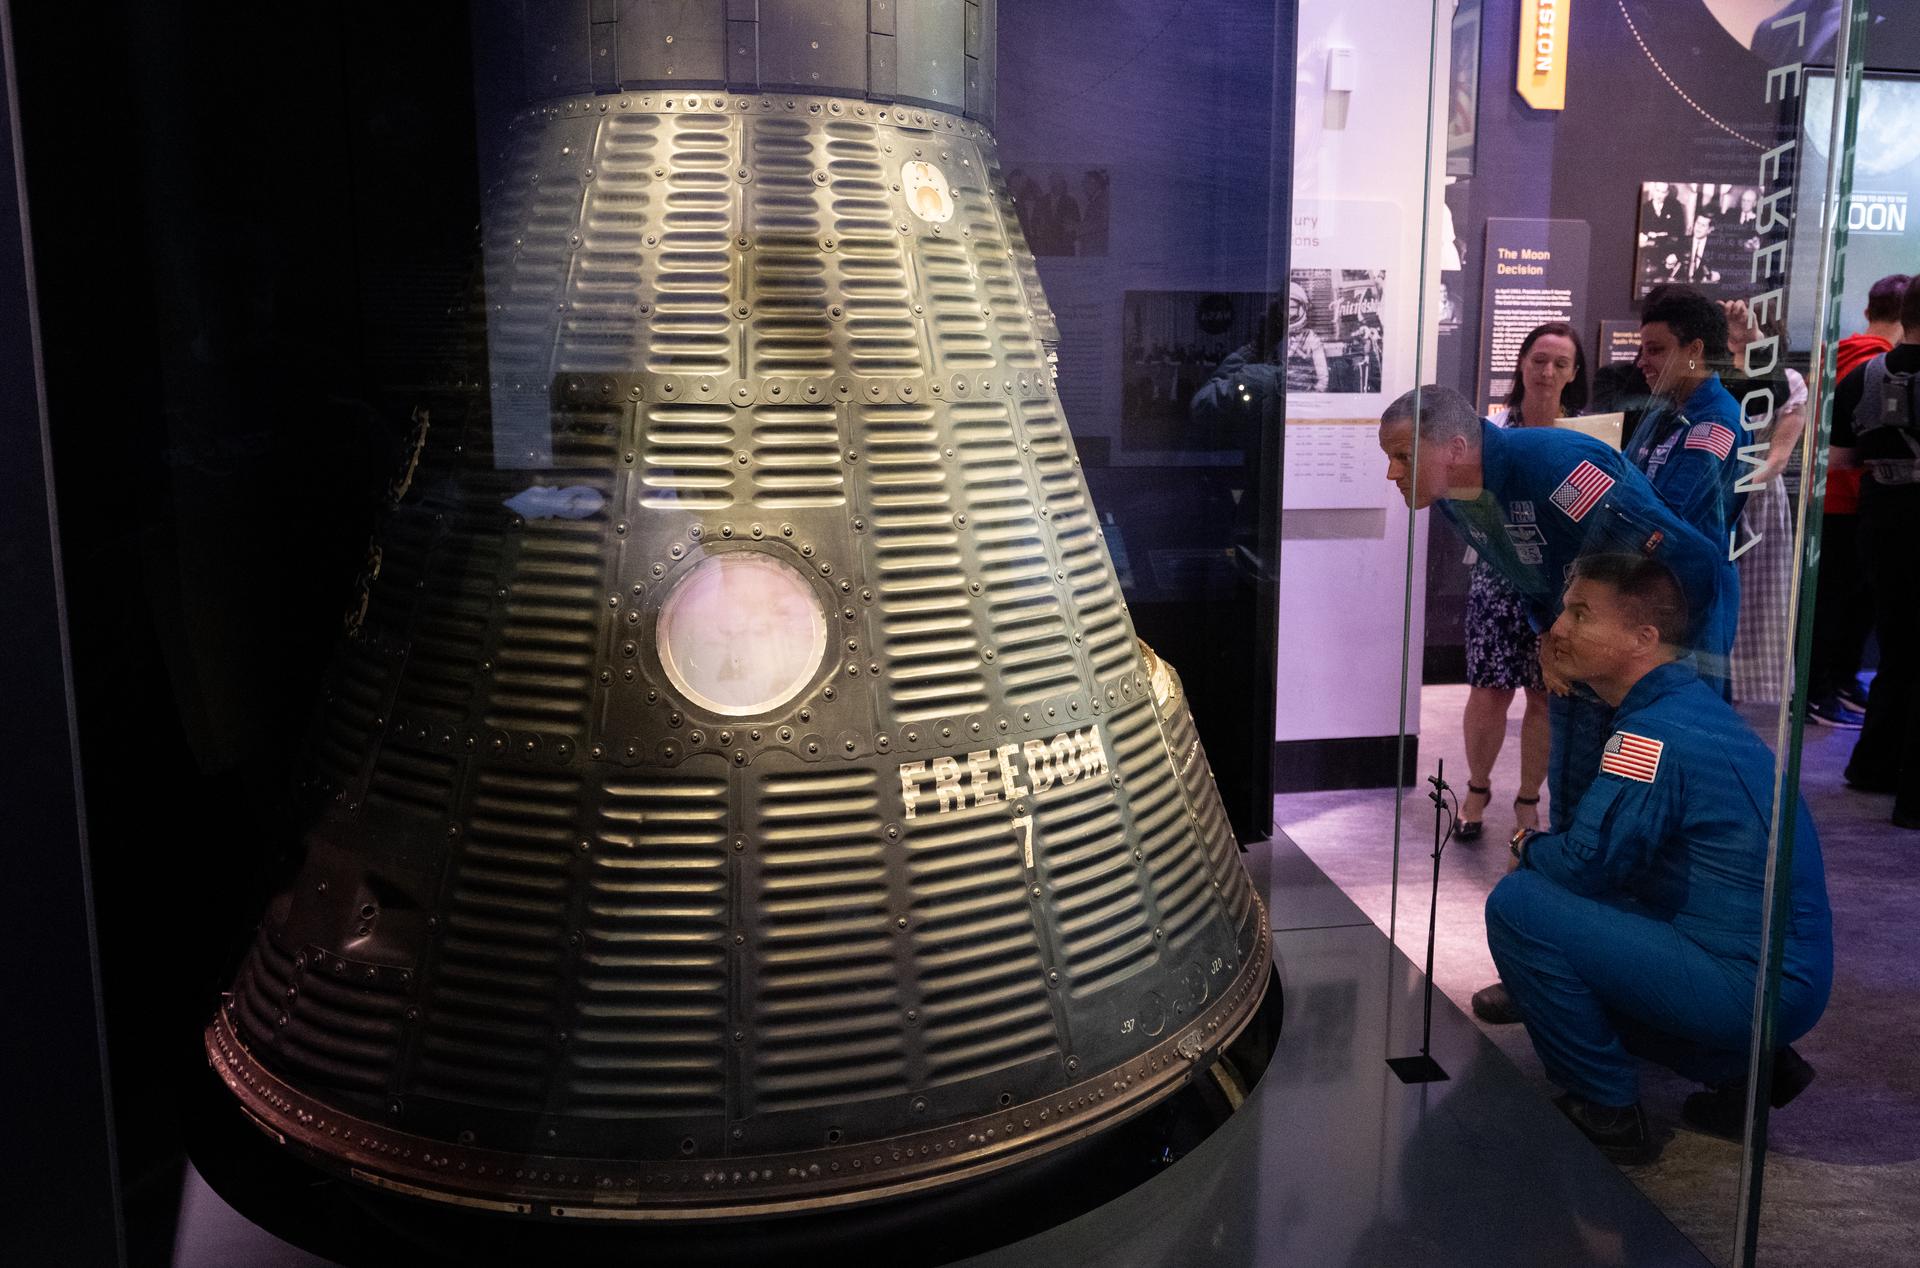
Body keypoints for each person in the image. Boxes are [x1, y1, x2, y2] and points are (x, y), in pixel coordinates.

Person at [1378, 384, 1737, 1025]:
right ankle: (1562, 970)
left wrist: (1654, 668)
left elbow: (1683, 561)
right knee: (1576, 807)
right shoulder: (1457, 497)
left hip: (1658, 656)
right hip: (1589, 656)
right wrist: (1551, 636)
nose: (1392, 473)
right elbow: (1536, 574)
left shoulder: (1556, 467)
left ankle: (1683, 989)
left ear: (1455, 447)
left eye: (1403, 455)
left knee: (1653, 813)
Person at [1486, 554, 1832, 1162]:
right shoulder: (1689, 706)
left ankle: (1607, 1108)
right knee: (1585, 916)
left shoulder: (1649, 734)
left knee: (1519, 906)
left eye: (1580, 614)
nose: (1558, 627)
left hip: (1751, 984)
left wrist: (1526, 846)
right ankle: (1746, 1069)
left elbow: (1587, 863)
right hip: (1781, 975)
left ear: (1643, 638)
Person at [1455, 323, 1590, 842]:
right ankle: (1477, 788)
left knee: (1544, 692)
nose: (1547, 371)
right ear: (1522, 363)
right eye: (1539, 359)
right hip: (1498, 573)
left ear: (1574, 373)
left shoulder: (1585, 434)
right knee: (1489, 688)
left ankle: (1529, 799)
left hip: (1561, 581)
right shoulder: (1490, 429)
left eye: (1560, 363)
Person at [1828, 276, 1920, 829]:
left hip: (1882, 519)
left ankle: (1874, 766)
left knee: (1897, 648)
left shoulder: (1863, 373)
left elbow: (1841, 458)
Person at [1810, 273, 1909, 726]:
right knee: (1843, 604)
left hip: (1832, 499)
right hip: (1857, 501)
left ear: (1868, 310)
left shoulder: (1835, 358)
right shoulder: (1880, 368)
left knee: (1840, 601)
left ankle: (1835, 686)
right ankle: (1823, 692)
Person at [1721, 299, 1808, 704]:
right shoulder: (1716, 376)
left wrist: (1735, 489)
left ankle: (1741, 693)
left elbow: (1778, 458)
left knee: (1754, 604)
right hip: (1711, 491)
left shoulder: (1787, 382)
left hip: (1756, 502)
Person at [1284, 281, 1329, 392]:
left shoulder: (1310, 337)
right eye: (1286, 308)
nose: (1289, 313)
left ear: (1301, 309)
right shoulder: (1274, 335)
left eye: (1293, 308)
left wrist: (1317, 391)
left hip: (1303, 391)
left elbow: (1322, 373)